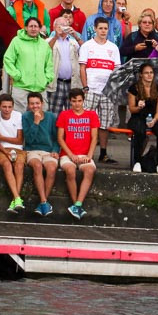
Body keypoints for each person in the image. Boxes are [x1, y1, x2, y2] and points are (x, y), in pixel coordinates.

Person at [78, 17, 120, 165]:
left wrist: (113, 89)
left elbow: (116, 71)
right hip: (91, 90)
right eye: (100, 28)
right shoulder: (87, 46)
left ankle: (103, 154)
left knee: (104, 124)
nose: (103, 31)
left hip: (107, 92)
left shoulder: (113, 48)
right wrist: (85, 88)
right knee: (84, 121)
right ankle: (81, 151)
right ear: (95, 29)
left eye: (105, 28)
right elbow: (82, 68)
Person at [56, 88, 98, 219]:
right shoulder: (64, 115)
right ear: (70, 101)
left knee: (90, 170)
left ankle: (78, 204)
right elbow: (60, 138)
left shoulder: (91, 115)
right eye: (74, 101)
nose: (77, 104)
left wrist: (90, 155)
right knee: (70, 170)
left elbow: (94, 137)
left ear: (83, 101)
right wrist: (70, 155)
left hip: (85, 154)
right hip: (67, 154)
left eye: (79, 101)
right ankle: (76, 204)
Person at [125, 61, 158, 173]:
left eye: (151, 73)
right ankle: (137, 161)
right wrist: (138, 107)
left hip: (152, 117)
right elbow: (131, 109)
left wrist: (154, 120)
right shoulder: (134, 89)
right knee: (140, 131)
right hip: (138, 116)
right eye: (146, 73)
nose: (149, 75)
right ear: (141, 75)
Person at [3, 17, 52, 113]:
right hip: (22, 87)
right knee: (19, 117)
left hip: (40, 87)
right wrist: (17, 75)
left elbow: (49, 64)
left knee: (42, 115)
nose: (33, 29)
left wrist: (47, 78)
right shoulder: (16, 41)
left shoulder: (44, 45)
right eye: (31, 26)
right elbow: (8, 59)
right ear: (25, 28)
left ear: (39, 28)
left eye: (36, 26)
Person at [21, 91, 58, 216]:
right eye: (32, 104)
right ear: (28, 105)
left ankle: (43, 201)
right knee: (37, 166)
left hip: (48, 151)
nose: (35, 106)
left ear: (42, 104)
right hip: (32, 150)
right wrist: (36, 122)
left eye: (37, 103)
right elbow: (29, 139)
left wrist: (55, 150)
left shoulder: (51, 117)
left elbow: (56, 137)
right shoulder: (26, 117)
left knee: (51, 168)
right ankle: (43, 201)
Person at [0, 94, 26, 214]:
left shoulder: (18, 116)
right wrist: (4, 150)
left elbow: (19, 140)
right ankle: (17, 198)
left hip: (18, 149)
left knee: (19, 166)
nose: (7, 109)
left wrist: (2, 137)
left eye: (9, 107)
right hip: (1, 148)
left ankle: (15, 199)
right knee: (6, 165)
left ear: (13, 107)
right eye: (4, 107)